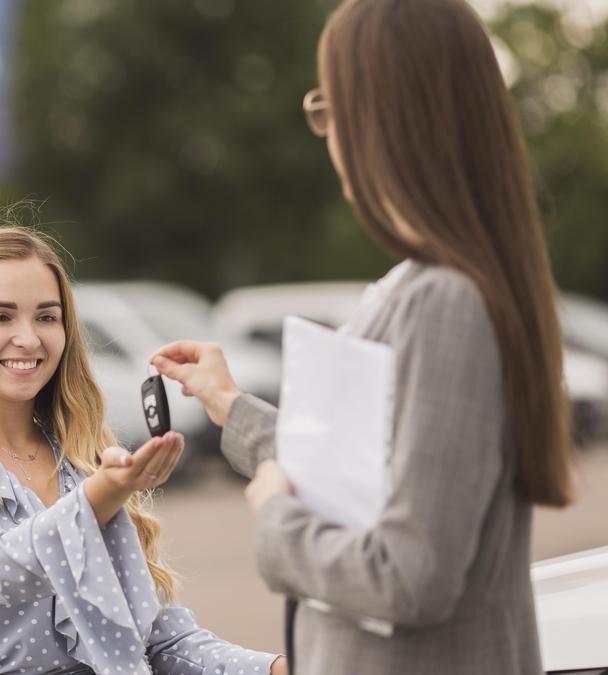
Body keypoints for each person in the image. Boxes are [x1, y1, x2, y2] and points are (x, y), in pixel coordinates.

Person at [151, 0, 575, 673]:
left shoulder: (446, 302)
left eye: (329, 109)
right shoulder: (431, 282)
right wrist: (229, 404)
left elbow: (412, 574)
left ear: (382, 117)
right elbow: (358, 473)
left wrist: (275, 521)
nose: (327, 135)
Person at [0, 220, 286, 674]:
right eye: (0, 316)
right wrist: (101, 499)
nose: (29, 338)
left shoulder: (82, 462)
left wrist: (277, 668)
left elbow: (162, 642)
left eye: (47, 317)